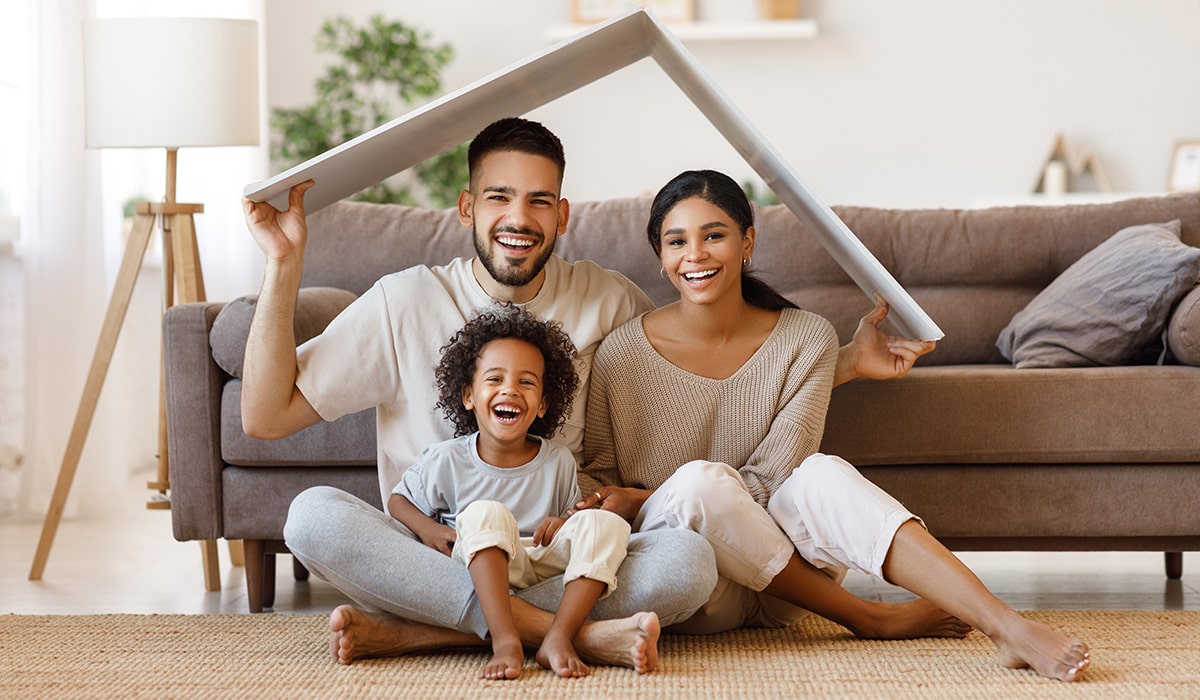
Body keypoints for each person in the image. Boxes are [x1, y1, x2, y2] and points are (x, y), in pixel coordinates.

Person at [241, 116, 930, 668]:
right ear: (466, 207)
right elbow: (266, 415)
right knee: (312, 519)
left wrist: (835, 363)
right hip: (435, 560)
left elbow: (706, 370)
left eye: (539, 200)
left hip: (562, 559)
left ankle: (436, 633)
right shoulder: (402, 302)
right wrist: (283, 265)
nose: (519, 217)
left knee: (686, 564)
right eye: (499, 197)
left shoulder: (606, 300)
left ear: (563, 214)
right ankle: (567, 636)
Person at [576, 169, 1091, 682]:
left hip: (787, 590)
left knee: (819, 473)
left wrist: (641, 496)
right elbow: (597, 477)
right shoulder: (623, 352)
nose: (696, 255)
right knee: (698, 484)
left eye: (714, 235)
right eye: (677, 241)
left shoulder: (806, 337)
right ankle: (869, 617)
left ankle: (1006, 625)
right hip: (697, 584)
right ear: (661, 258)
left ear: (747, 241)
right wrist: (626, 503)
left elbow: (772, 482)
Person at [390, 304, 640, 679]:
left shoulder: (558, 461)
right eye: (494, 379)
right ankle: (505, 638)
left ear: (542, 405)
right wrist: (427, 529)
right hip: (477, 563)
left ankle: (559, 635)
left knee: (606, 525)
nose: (510, 389)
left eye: (526, 382)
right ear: (468, 396)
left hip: (537, 565)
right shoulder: (447, 460)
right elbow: (398, 500)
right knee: (483, 512)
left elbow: (569, 526)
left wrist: (562, 521)